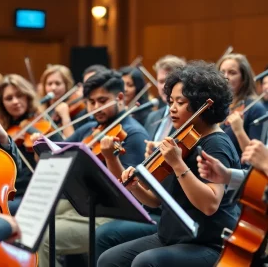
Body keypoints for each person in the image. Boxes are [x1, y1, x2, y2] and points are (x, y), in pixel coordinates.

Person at [98, 61, 241, 267]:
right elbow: (155, 201)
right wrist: (135, 187)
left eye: (180, 102)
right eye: (171, 101)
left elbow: (210, 204)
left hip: (208, 243)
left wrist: (177, 164)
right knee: (109, 260)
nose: (172, 108)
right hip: (171, 236)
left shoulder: (216, 143)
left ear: (203, 105)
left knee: (145, 262)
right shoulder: (182, 138)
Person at [35, 70, 149, 267]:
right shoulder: (90, 128)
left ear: (120, 98)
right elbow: (58, 151)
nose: (96, 107)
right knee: (32, 222)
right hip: (84, 204)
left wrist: (109, 158)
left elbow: (127, 191)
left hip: (108, 212)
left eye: (102, 100)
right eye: (91, 102)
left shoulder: (133, 133)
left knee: (44, 238)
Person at [95, 55, 185, 262]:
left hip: (167, 211)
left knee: (106, 235)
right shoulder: (154, 117)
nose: (164, 87)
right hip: (151, 198)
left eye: (169, 82)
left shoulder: (183, 123)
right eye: (161, 81)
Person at [0, 74, 45, 215]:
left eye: (19, 95)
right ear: (2, 103)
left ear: (27, 96)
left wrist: (39, 147)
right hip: (7, 191)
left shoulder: (41, 124)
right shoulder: (1, 131)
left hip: (32, 192)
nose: (15, 101)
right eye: (9, 98)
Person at [217, 53, 266, 158]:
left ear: (244, 79)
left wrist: (239, 130)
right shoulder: (219, 105)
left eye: (232, 73)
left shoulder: (255, 108)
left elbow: (257, 157)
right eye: (222, 72)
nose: (225, 77)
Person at [40, 64, 77, 137]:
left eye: (58, 83)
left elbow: (71, 141)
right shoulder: (42, 110)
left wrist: (65, 116)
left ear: (67, 85)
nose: (53, 87)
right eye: (49, 84)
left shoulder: (76, 110)